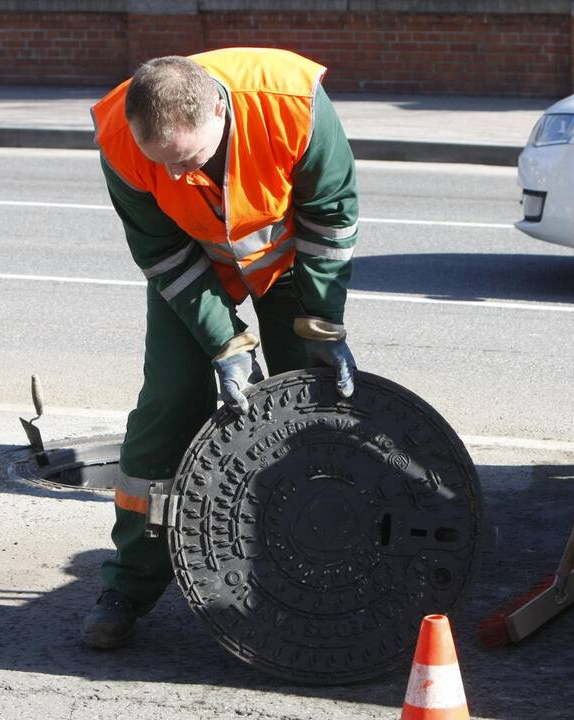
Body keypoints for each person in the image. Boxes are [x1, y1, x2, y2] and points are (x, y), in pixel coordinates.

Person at [81, 48, 360, 649]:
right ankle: (129, 584)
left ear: (217, 109)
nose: (178, 177)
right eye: (165, 165)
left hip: (287, 265)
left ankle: (310, 568)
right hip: (192, 268)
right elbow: (161, 254)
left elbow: (330, 221)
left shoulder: (295, 105)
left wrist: (323, 328)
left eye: (190, 160)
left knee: (306, 407)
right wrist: (225, 342)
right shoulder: (119, 137)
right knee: (168, 406)